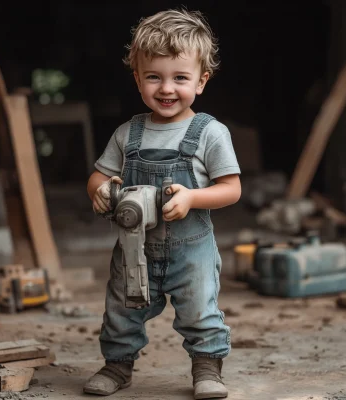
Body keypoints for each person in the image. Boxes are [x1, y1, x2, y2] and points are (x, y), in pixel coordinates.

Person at [85, 8, 241, 399]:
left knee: (199, 312)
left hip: (192, 250)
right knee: (121, 311)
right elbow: (98, 176)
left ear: (201, 81)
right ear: (138, 78)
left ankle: (207, 368)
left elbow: (231, 189)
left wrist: (192, 197)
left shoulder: (210, 133)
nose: (166, 88)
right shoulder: (128, 134)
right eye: (154, 76)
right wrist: (99, 192)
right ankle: (117, 366)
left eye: (180, 78)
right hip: (133, 248)